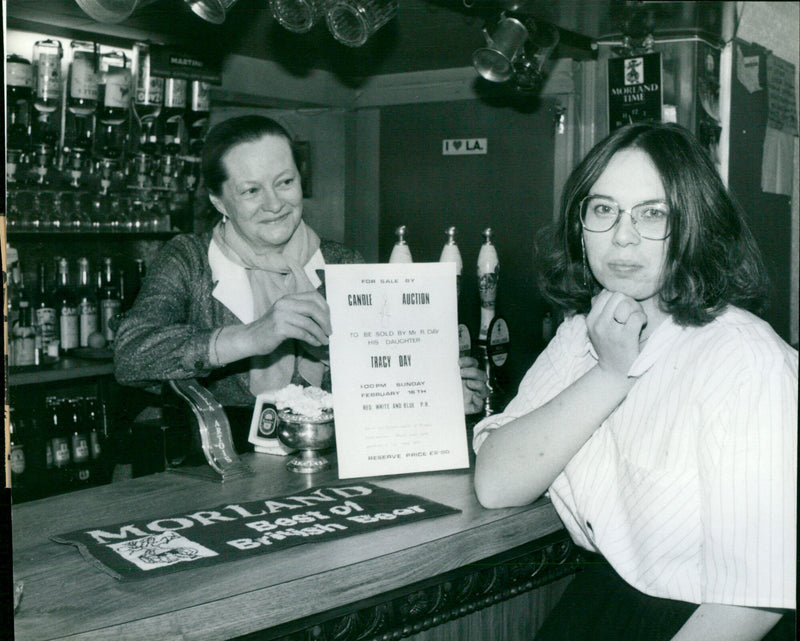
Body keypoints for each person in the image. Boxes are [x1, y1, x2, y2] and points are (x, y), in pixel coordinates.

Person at [472, 122, 796, 641]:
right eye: (603, 210)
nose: (623, 237)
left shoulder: (746, 360)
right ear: (580, 224)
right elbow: (497, 484)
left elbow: (755, 599)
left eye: (653, 214)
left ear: (695, 225)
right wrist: (609, 373)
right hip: (605, 600)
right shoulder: (582, 332)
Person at [115, 115, 487, 439]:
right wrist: (252, 336)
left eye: (285, 182)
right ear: (218, 202)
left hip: (322, 472)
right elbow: (131, 356)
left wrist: (438, 391)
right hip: (217, 472)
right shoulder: (190, 259)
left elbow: (375, 384)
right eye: (250, 191)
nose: (275, 204)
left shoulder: (341, 263)